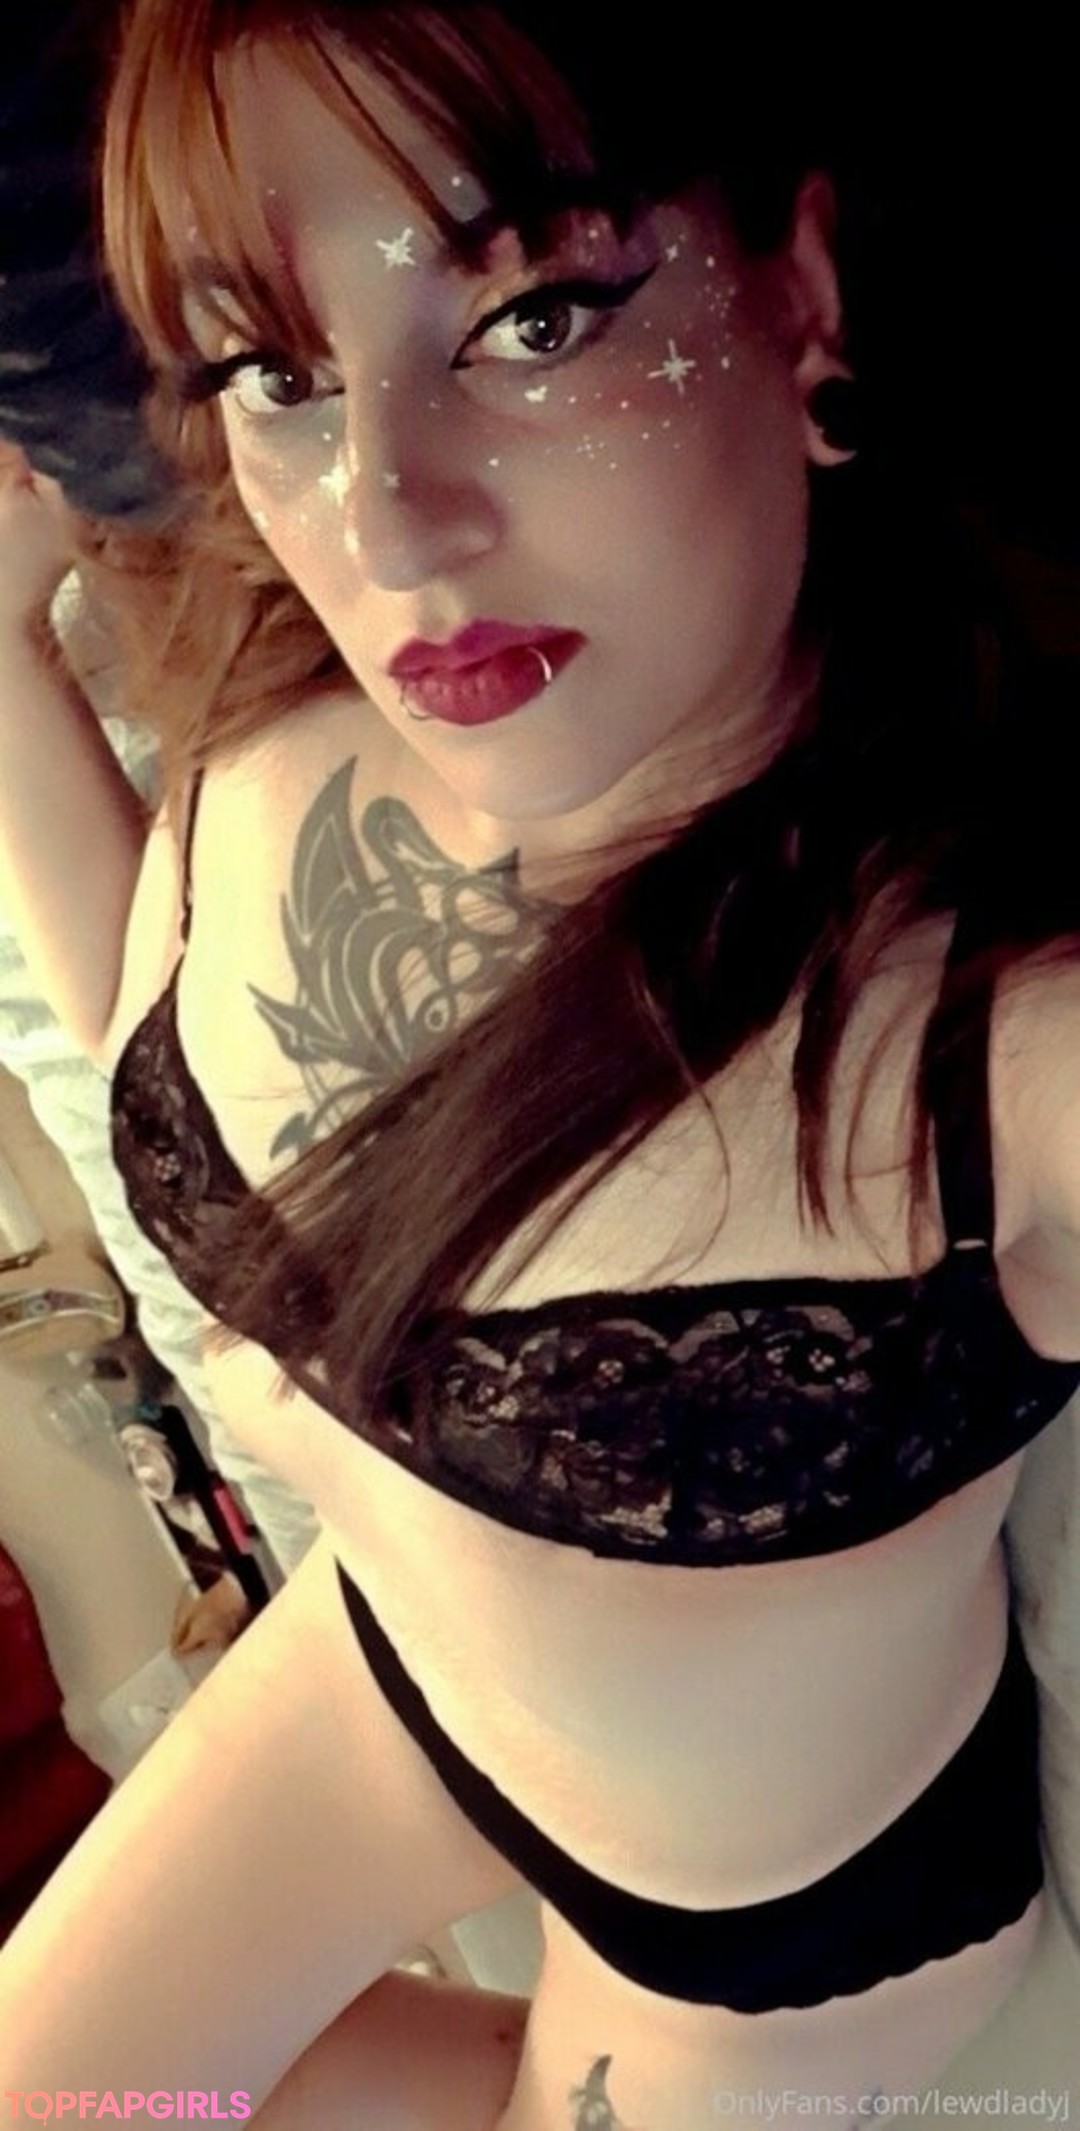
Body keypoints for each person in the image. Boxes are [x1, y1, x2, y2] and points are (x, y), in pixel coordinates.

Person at [0, 6, 1078, 2125]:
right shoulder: (281, 699)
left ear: (801, 295)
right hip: (387, 1682)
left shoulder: (996, 1044)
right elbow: (152, 1034)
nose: (389, 526)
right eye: (278, 375)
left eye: (534, 322)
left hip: (746, 1947)